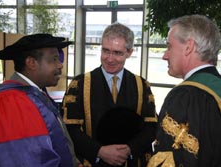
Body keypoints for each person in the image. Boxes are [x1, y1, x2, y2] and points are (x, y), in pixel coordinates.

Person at [147, 14, 221, 167]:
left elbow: (168, 160)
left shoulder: (186, 96)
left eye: (169, 46)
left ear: (189, 47)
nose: (164, 55)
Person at [61, 22, 157, 167]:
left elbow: (151, 126)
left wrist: (129, 149)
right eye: (106, 51)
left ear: (129, 52)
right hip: (92, 162)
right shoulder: (79, 84)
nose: (110, 58)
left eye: (117, 53)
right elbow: (70, 129)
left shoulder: (141, 85)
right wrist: (99, 151)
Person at [0, 34, 83, 167]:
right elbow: (31, 159)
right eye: (54, 59)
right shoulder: (14, 102)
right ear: (31, 63)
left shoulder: (35, 94)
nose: (60, 65)